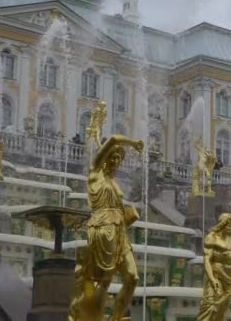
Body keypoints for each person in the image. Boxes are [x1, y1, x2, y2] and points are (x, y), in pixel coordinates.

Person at [69, 134, 144, 321]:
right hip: (103, 228)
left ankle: (117, 317)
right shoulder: (95, 173)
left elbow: (118, 211)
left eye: (119, 158)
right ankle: (92, 316)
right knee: (105, 279)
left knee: (133, 277)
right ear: (104, 158)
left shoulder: (114, 183)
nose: (116, 160)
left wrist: (128, 216)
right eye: (112, 156)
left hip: (120, 231)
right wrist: (133, 142)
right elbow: (112, 140)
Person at [196, 213, 231, 321]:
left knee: (222, 311)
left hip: (229, 280)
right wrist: (212, 279)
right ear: (223, 224)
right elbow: (207, 261)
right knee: (210, 306)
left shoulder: (229, 239)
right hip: (216, 275)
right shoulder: (211, 237)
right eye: (230, 225)